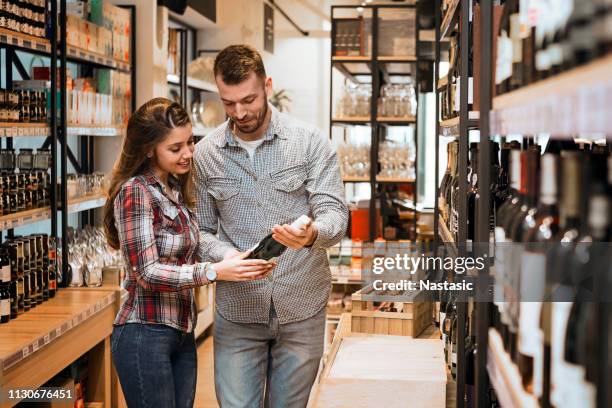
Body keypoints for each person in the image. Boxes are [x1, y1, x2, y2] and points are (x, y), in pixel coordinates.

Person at [193, 45, 349, 408]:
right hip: (238, 309)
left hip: (302, 303)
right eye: (228, 103)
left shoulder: (310, 143)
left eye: (248, 99)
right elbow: (200, 230)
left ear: (267, 84)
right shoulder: (206, 154)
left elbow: (334, 214)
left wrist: (312, 234)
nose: (240, 112)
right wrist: (228, 256)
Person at [103, 97, 275, 408]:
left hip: (181, 331)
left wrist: (229, 258)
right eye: (175, 148)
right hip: (145, 332)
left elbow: (194, 245)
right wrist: (212, 272)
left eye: (190, 142)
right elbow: (146, 272)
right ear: (148, 149)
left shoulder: (176, 189)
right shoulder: (135, 193)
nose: (188, 154)